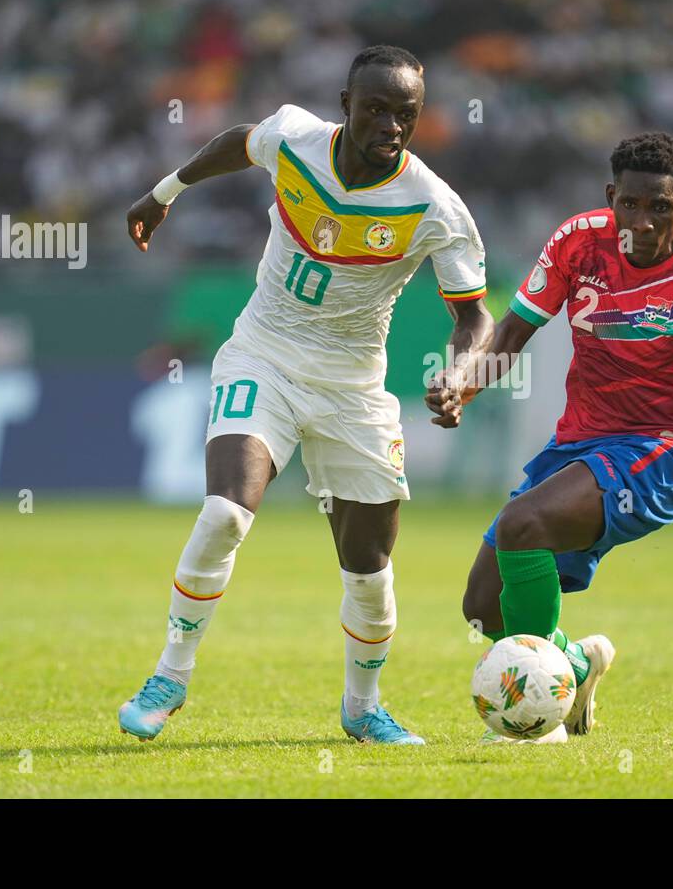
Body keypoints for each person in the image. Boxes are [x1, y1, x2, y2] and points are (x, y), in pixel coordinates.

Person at [120, 45, 493, 745]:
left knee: (370, 572)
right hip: (263, 357)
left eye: (404, 114)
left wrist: (460, 371)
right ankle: (170, 676)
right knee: (225, 514)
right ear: (346, 104)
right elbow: (238, 143)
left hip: (354, 390)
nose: (390, 125)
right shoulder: (295, 137)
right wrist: (164, 191)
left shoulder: (434, 206)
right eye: (376, 108)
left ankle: (362, 707)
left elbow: (474, 316)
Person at [432, 132, 673, 743]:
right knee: (483, 608)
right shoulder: (578, 242)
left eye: (661, 207)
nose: (643, 221)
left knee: (522, 525)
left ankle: (538, 722)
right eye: (630, 204)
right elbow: (511, 334)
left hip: (664, 453)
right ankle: (576, 667)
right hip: (582, 443)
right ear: (612, 197)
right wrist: (463, 388)